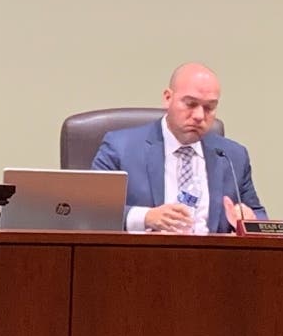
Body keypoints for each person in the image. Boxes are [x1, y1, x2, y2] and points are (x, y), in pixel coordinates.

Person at [90, 62, 266, 233]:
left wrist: (248, 220)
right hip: (142, 258)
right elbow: (92, 211)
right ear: (168, 98)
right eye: (190, 104)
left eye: (209, 108)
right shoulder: (120, 148)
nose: (199, 116)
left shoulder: (233, 156)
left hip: (212, 259)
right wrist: (146, 217)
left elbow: (259, 216)